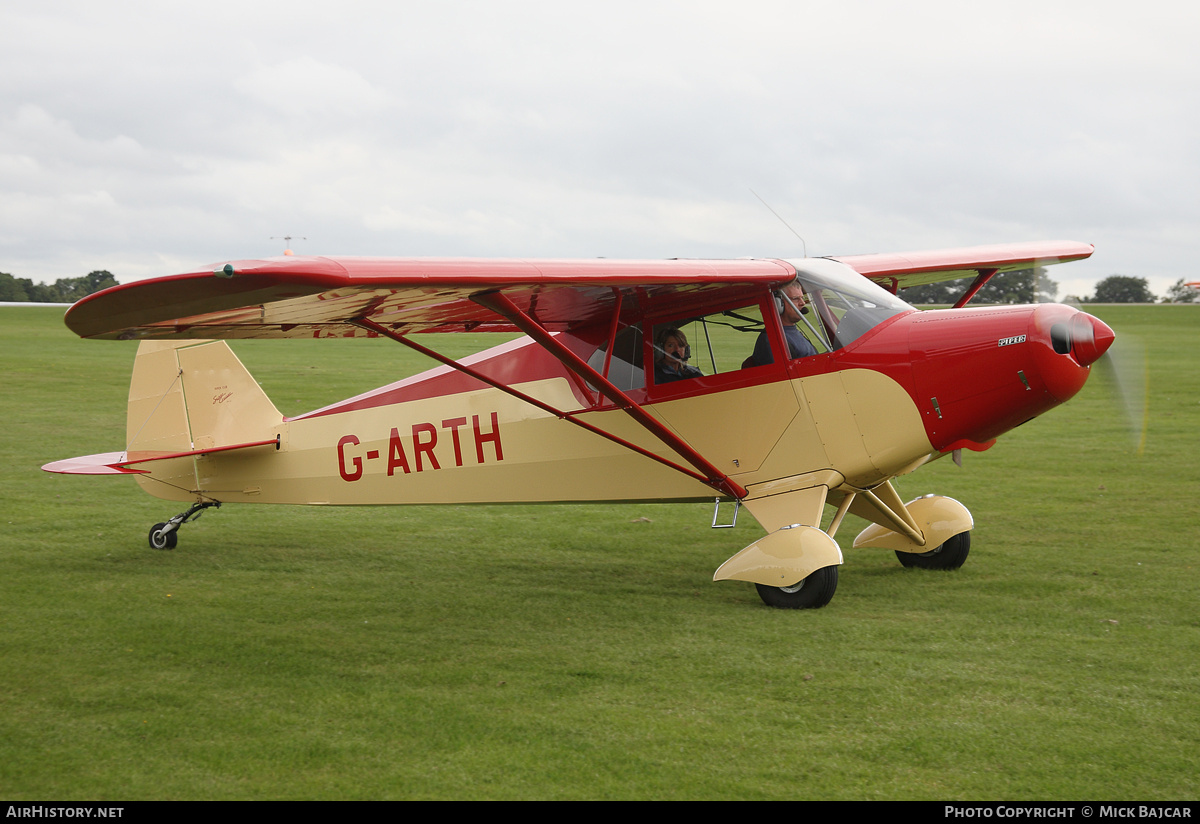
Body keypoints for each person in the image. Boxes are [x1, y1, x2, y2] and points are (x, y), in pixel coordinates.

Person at [751, 281, 818, 366]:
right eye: (795, 299)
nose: (802, 303)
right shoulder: (771, 340)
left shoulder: (795, 333)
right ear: (778, 304)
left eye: (802, 298)